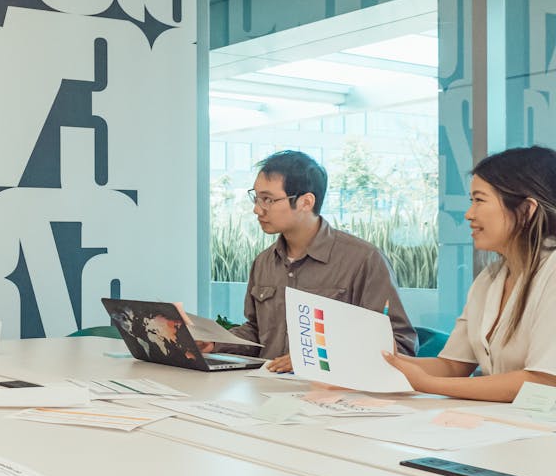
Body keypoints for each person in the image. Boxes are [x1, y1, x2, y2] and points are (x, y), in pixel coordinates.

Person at [210, 150, 417, 370]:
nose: (257, 209)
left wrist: (317, 358)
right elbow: (255, 332)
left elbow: (399, 345)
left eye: (268, 199)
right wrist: (213, 343)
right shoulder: (264, 262)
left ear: (306, 202)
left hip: (332, 394)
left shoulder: (363, 260)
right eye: (257, 198)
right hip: (266, 386)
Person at [383, 146, 556, 401]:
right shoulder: (490, 278)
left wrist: (428, 384)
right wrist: (389, 361)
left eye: (480, 200)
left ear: (525, 210)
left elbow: (543, 382)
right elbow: (454, 366)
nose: (469, 214)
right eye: (470, 201)